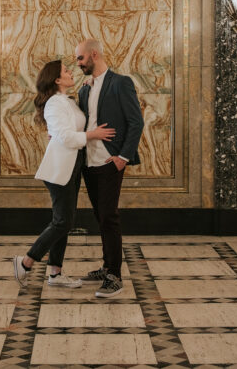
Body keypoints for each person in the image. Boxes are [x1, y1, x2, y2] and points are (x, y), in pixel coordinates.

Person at [13, 59, 115, 289]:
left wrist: (89, 85)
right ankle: (26, 262)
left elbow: (71, 127)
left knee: (63, 221)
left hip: (72, 167)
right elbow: (66, 137)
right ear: (57, 79)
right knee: (62, 222)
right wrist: (94, 134)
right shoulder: (54, 104)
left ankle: (55, 274)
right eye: (67, 71)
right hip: (60, 170)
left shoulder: (66, 101)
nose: (72, 72)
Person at [74, 39, 144, 298]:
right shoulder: (85, 89)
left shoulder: (120, 82)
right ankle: (106, 266)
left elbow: (136, 123)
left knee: (109, 217)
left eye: (81, 58)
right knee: (101, 216)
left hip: (109, 161)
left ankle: (115, 275)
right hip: (88, 163)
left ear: (94, 54)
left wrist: (122, 157)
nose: (78, 63)